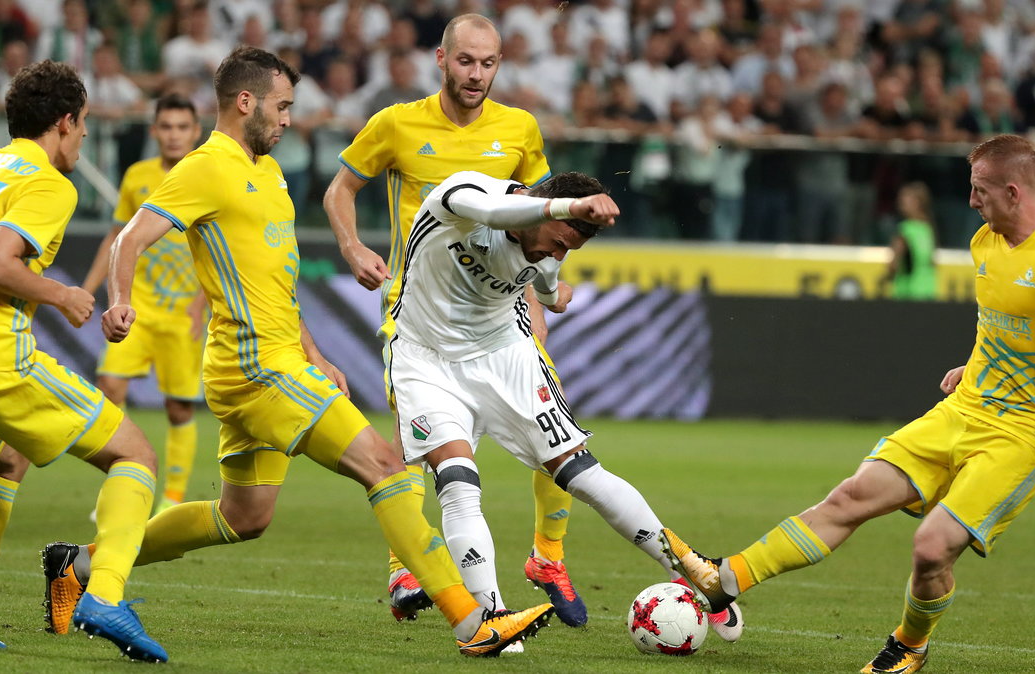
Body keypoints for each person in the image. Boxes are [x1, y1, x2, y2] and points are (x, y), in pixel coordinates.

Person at [42, 46, 553, 657]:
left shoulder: (269, 173)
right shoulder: (207, 167)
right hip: (256, 368)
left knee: (243, 517)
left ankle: (78, 563)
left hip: (271, 362)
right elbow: (132, 235)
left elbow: (273, 284)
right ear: (246, 102)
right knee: (386, 466)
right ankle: (474, 623)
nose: (288, 119)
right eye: (282, 106)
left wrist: (313, 351)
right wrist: (119, 299)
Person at [662, 134, 1035, 674]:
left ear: (1014, 192)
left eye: (980, 191)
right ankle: (725, 580)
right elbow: (1003, 321)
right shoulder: (985, 242)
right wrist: (974, 363)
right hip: (964, 410)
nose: (971, 201)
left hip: (1021, 433)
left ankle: (909, 644)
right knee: (853, 494)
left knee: (931, 548)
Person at [390, 169, 741, 646]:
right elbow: (497, 213)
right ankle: (489, 619)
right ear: (544, 207)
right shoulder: (464, 196)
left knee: (579, 471)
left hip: (506, 355)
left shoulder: (548, 249)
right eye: (558, 241)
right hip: (425, 359)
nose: (558, 253)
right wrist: (570, 209)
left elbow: (550, 285)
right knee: (457, 480)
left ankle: (690, 566)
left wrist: (557, 296)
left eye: (569, 249)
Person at [322, 12, 588, 630]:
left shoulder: (519, 128)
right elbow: (340, 189)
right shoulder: (396, 123)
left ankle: (548, 558)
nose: (476, 74)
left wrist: (541, 294)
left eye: (488, 63)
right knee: (417, 441)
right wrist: (353, 246)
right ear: (440, 60)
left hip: (501, 308)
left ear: (500, 64)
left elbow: (533, 213)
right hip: (416, 313)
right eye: (465, 61)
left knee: (561, 427)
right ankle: (406, 566)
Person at [0, 60, 167, 662]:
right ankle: (104, 593)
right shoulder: (51, 185)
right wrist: (64, 295)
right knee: (135, 454)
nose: (83, 137)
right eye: (81, 125)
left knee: (7, 456)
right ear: (64, 121)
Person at [80, 94, 206, 517]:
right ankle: (119, 489)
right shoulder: (138, 176)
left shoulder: (208, 174)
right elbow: (116, 238)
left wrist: (202, 302)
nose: (173, 135)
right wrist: (88, 289)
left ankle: (171, 498)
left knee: (178, 407)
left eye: (181, 127)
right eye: (166, 127)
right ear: (154, 131)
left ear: (195, 132)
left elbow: (227, 247)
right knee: (109, 389)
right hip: (137, 306)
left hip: (184, 311)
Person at [886, 182, 938, 301]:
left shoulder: (905, 230)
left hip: (907, 293)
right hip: (928, 290)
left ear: (917, 202)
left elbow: (893, 265)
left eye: (904, 199)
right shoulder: (928, 229)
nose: (900, 202)